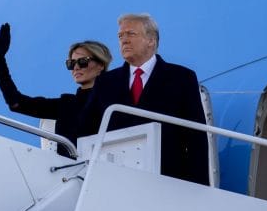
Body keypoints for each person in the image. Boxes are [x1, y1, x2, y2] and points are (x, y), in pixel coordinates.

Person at [80, 13, 209, 185]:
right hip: (116, 181)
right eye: (120, 36)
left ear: (151, 40)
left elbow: (196, 136)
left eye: (131, 34)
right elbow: (87, 128)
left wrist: (199, 188)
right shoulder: (105, 82)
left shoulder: (182, 78)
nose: (124, 40)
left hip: (170, 181)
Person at [0, 23, 112, 158]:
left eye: (82, 61)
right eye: (71, 64)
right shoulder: (66, 104)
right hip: (70, 174)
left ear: (100, 65)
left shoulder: (115, 97)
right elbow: (16, 102)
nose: (76, 67)